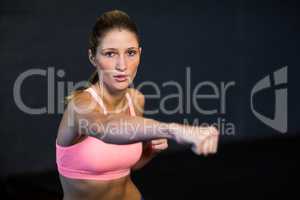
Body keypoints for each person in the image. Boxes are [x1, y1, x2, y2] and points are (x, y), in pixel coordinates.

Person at [55, 9, 219, 200]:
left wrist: (150, 152)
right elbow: (107, 128)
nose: (122, 65)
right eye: (110, 54)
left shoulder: (136, 100)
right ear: (93, 57)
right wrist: (174, 130)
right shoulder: (81, 105)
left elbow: (125, 166)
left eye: (131, 53)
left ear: (140, 54)